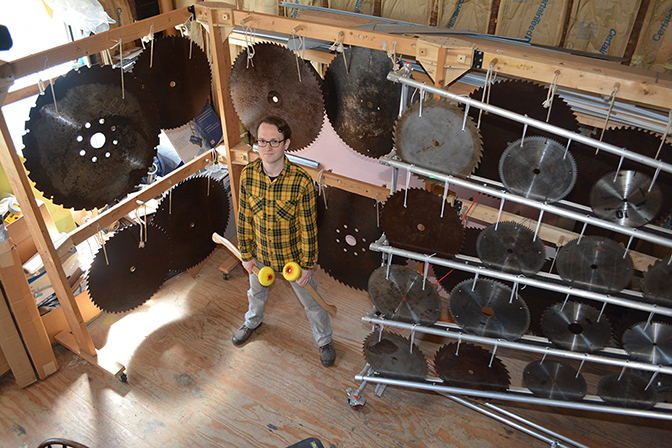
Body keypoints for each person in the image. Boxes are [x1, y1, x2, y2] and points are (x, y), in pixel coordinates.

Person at [232, 115, 336, 367]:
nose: (267, 148)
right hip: (260, 257)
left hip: (293, 260)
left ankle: (324, 340)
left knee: (313, 304)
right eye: (262, 141)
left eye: (274, 142)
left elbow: (307, 229)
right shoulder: (247, 176)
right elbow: (244, 217)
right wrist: (246, 255)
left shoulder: (300, 182)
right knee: (255, 294)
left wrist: (308, 266)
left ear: (286, 143)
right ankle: (252, 322)